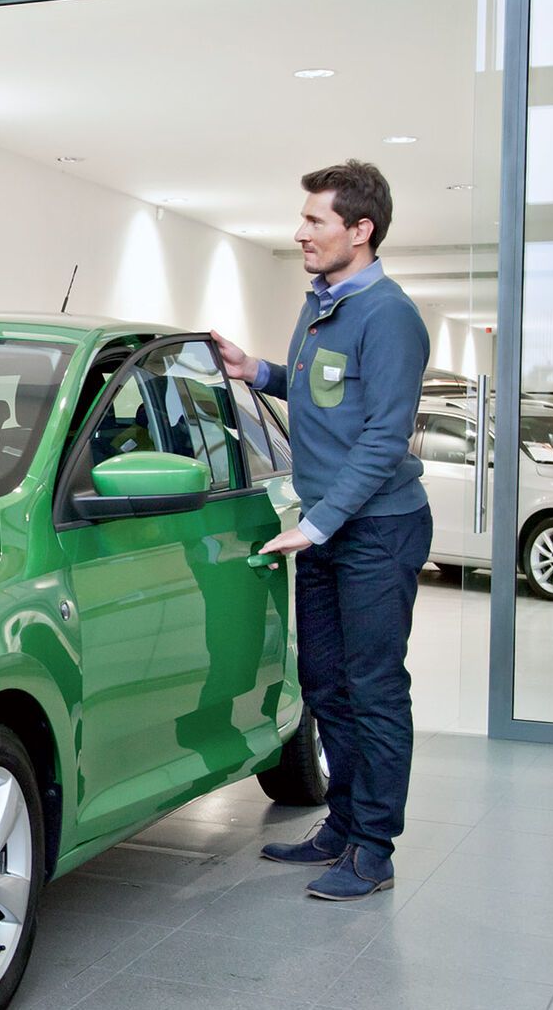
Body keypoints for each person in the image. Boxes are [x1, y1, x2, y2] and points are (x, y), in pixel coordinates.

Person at [211, 159, 431, 902]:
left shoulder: (391, 316)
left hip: (377, 529)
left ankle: (375, 845)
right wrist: (261, 370)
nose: (300, 232)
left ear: (360, 231)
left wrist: (319, 523)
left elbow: (382, 438)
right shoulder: (322, 302)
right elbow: (322, 392)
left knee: (373, 688)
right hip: (329, 528)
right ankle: (342, 822)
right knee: (324, 683)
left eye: (315, 221)